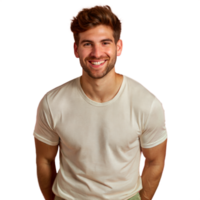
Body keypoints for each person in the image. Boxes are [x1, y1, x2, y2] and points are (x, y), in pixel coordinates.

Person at [33, 3, 168, 200]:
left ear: (118, 47)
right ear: (76, 50)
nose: (97, 53)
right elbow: (44, 160)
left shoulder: (146, 103)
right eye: (88, 44)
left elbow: (155, 161)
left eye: (105, 43)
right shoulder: (52, 102)